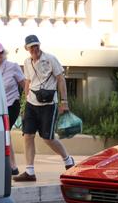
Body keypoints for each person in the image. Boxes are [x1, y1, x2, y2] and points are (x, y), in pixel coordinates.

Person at [13, 35, 74, 182]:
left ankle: (67, 160)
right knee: (28, 136)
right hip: (31, 104)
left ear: (39, 45)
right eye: (31, 47)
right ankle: (30, 171)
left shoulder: (50, 59)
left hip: (48, 105)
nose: (35, 49)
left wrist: (64, 101)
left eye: (36, 45)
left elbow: (60, 79)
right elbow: (27, 81)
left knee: (48, 138)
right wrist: (24, 102)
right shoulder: (27, 62)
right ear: (26, 48)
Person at [0, 41, 25, 176]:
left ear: (3, 53)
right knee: (4, 133)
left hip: (12, 104)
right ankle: (12, 166)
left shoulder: (13, 67)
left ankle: (12, 165)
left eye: (0, 52)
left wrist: (28, 103)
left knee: (4, 131)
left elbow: (24, 84)